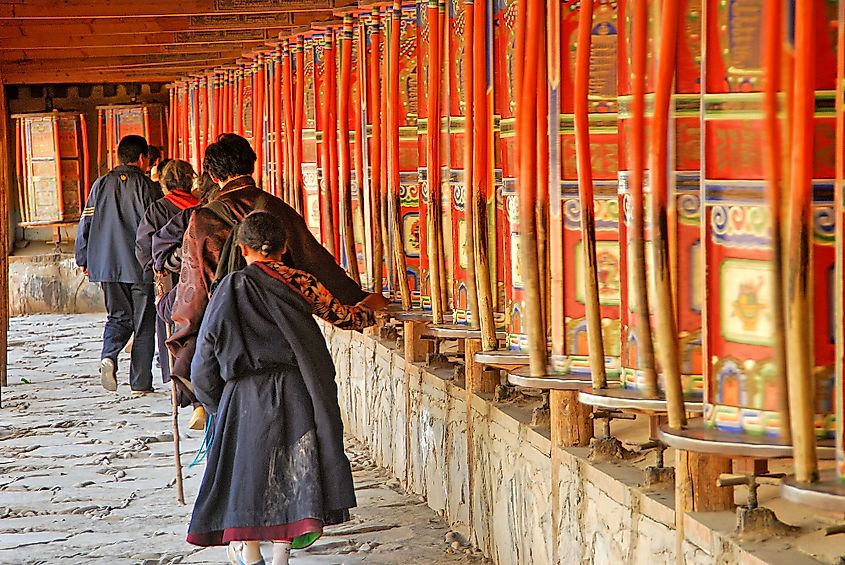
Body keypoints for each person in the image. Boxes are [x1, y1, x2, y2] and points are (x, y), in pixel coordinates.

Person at [187, 211, 386, 565]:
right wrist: (373, 306)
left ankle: (248, 551)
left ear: (244, 248)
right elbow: (346, 316)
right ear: (283, 247)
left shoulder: (229, 288)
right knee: (294, 467)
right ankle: (281, 554)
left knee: (247, 471)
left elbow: (204, 355)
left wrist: (216, 402)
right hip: (296, 388)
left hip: (243, 393)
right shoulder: (301, 282)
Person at [167, 133, 386, 389]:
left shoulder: (202, 220)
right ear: (252, 164)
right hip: (282, 333)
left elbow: (194, 286)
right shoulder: (278, 209)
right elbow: (316, 263)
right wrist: (358, 299)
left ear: (214, 177)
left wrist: (185, 338)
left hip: (227, 332)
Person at [75, 135, 163, 393]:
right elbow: (158, 229)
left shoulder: (99, 185)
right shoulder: (148, 187)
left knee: (117, 316)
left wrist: (83, 257)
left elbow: (85, 224)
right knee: (145, 323)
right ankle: (140, 383)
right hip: (140, 266)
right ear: (142, 158)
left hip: (108, 265)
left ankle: (109, 355)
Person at [135, 160, 205, 428]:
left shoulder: (158, 210)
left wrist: (154, 269)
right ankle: (200, 395)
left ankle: (185, 391)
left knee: (174, 332)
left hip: (171, 282)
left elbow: (145, 246)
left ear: (164, 183)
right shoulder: (202, 208)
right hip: (202, 279)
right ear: (191, 181)